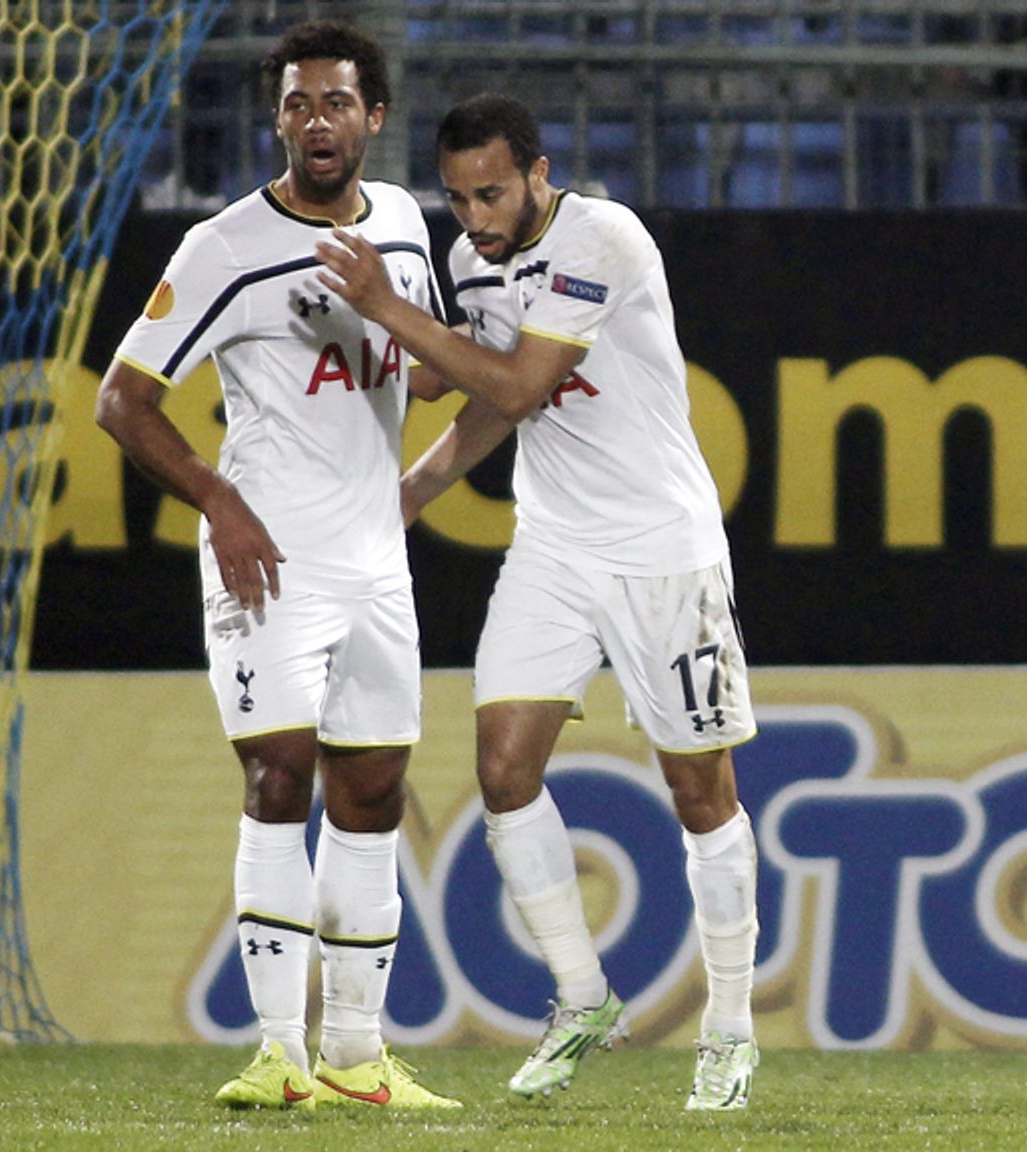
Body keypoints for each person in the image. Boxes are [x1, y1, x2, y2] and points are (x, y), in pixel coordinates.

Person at [313, 93, 763, 1113]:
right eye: (459, 198)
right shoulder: (472, 261)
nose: (475, 216)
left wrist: (390, 309)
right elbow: (475, 397)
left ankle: (728, 1030)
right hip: (553, 545)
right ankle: (581, 997)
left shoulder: (602, 237)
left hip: (661, 548)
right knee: (503, 771)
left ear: (538, 172)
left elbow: (517, 387)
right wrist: (416, 483)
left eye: (493, 193)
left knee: (702, 793)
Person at [95, 21, 456, 1110]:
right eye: (297, 104)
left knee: (374, 789)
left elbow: (432, 377)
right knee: (278, 779)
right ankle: (276, 1053)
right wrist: (220, 500)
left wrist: (410, 317)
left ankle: (353, 1053)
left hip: (373, 562)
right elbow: (123, 398)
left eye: (336, 103)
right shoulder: (224, 247)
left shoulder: (400, 222)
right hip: (267, 564)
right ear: (278, 120)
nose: (316, 122)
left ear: (373, 118)